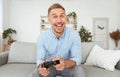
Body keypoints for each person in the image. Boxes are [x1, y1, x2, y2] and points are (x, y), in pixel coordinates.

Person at [29, 3, 82, 77]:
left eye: (62, 16)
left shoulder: (74, 35)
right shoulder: (42, 37)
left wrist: (65, 63)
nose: (59, 20)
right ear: (49, 20)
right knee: (34, 75)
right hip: (50, 67)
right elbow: (40, 59)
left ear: (65, 18)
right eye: (55, 17)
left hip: (67, 66)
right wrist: (42, 67)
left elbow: (77, 58)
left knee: (80, 72)